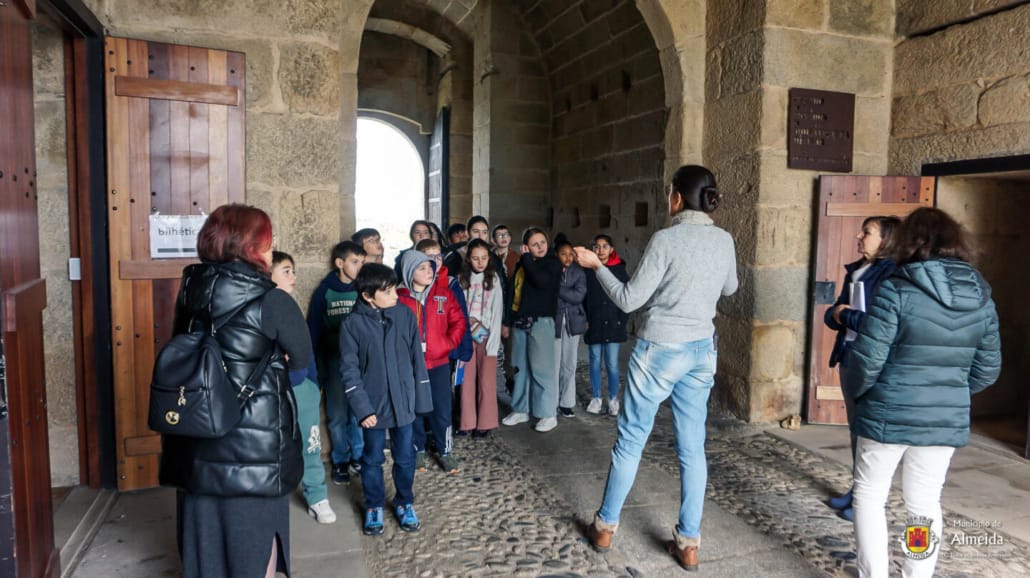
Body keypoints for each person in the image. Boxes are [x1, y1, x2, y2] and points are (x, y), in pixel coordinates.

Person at [576, 165, 738, 572]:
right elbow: (730, 288)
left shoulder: (666, 239)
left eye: (669, 193)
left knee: (631, 439)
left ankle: (606, 526)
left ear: (677, 198)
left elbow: (629, 299)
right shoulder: (724, 239)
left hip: (660, 349)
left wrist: (598, 268)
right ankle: (688, 543)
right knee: (691, 447)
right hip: (702, 349)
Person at [845, 207, 1001, 578]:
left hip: (886, 413)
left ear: (909, 242)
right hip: (941, 420)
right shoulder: (982, 297)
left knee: (869, 496)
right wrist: (950, 393)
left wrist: (861, 396)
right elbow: (988, 369)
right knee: (924, 504)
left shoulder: (896, 289)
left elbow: (867, 360)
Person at [161, 204, 311, 578]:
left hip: (196, 439)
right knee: (253, 547)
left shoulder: (190, 289)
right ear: (253, 248)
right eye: (268, 243)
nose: (271, 251)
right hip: (254, 453)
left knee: (205, 546)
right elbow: (302, 360)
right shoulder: (271, 299)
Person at [339, 263, 432, 536]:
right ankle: (374, 505)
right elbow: (349, 370)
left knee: (406, 456)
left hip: (403, 402)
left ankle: (404, 502)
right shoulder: (351, 324)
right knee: (372, 459)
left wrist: (421, 400)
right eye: (388, 291)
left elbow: (417, 359)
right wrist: (362, 408)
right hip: (373, 408)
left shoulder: (404, 315)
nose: (395, 295)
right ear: (368, 295)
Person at [822, 216, 900, 521]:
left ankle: (866, 500)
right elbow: (833, 313)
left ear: (886, 240)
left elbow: (880, 323)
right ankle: (857, 490)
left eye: (866, 232)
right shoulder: (856, 270)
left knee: (868, 432)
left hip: (870, 360)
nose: (859, 236)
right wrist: (839, 315)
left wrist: (847, 316)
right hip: (849, 354)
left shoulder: (891, 274)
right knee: (856, 429)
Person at [270, 252, 335, 524]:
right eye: (286, 271)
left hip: (301, 386)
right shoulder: (261, 305)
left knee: (311, 441)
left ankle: (317, 495)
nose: (293, 277)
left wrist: (312, 382)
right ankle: (271, 497)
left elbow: (305, 348)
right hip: (273, 389)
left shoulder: (290, 304)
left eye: (293, 271)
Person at [397, 249, 467, 474]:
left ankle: (445, 451)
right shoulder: (398, 298)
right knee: (415, 407)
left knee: (442, 407)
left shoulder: (443, 294)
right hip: (411, 365)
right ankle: (417, 449)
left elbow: (458, 322)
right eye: (422, 268)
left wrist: (447, 344)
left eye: (430, 267)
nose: (429, 271)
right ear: (409, 272)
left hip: (438, 363)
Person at [307, 241, 365, 485]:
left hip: (359, 364)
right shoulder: (325, 292)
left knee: (359, 413)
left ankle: (359, 456)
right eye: (354, 262)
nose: (359, 267)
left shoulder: (363, 289)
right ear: (339, 263)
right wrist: (315, 366)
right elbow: (313, 330)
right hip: (333, 363)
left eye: (362, 263)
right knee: (337, 415)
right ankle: (340, 458)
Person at [501, 227, 563, 432]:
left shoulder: (553, 264)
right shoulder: (522, 265)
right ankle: (520, 409)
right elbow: (513, 294)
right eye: (534, 244)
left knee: (542, 369)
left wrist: (526, 259)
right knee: (519, 367)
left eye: (542, 242)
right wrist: (507, 321)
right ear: (527, 245)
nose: (539, 247)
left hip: (541, 322)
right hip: (521, 321)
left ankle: (547, 413)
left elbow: (541, 281)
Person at [457, 239, 504, 437]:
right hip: (465, 336)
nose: (480, 262)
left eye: (484, 258)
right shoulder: (460, 279)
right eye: (475, 258)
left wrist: (493, 342)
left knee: (486, 381)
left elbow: (497, 311)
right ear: (468, 258)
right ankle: (466, 422)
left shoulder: (493, 279)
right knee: (465, 381)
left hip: (486, 337)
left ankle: (485, 423)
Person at [583, 234, 630, 416]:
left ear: (611, 249)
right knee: (594, 361)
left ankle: (613, 398)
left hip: (613, 323)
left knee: (611, 363)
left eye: (604, 246)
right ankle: (596, 397)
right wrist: (585, 319)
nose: (600, 250)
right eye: (597, 246)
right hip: (594, 322)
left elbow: (626, 296)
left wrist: (621, 320)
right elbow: (584, 297)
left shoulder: (619, 270)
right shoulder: (588, 271)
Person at [554, 236, 587, 417]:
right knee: (553, 364)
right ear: (556, 255)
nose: (567, 257)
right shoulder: (552, 271)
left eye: (570, 254)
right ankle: (551, 401)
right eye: (563, 254)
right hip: (556, 322)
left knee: (569, 364)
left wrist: (558, 289)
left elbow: (578, 296)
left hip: (573, 322)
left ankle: (566, 403)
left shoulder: (579, 272)